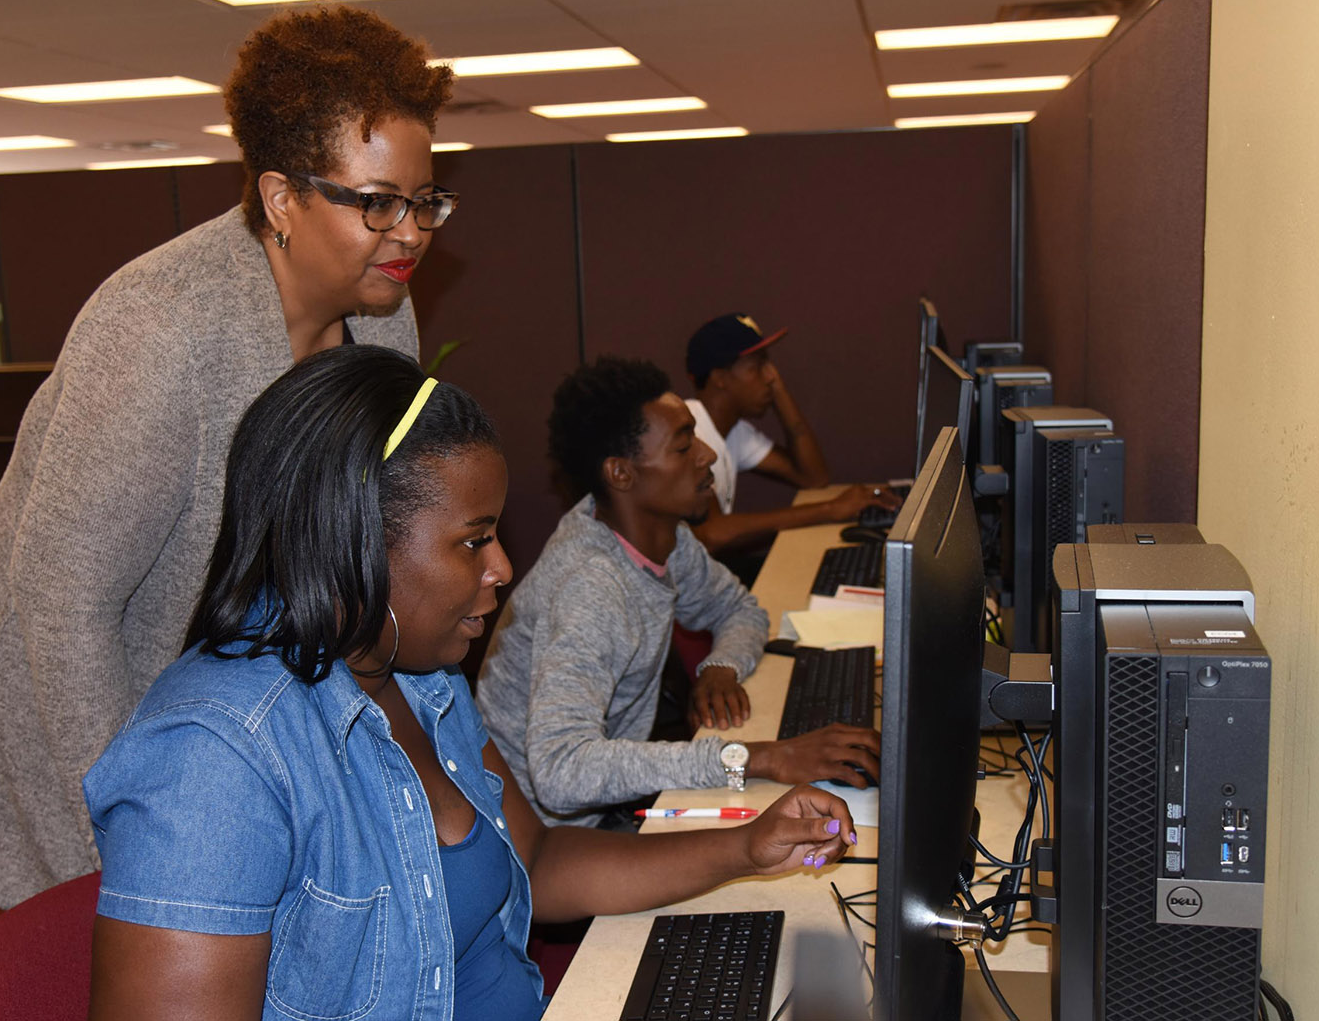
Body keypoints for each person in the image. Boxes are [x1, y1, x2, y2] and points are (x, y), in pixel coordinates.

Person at [83, 345, 858, 1021]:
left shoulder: (423, 679)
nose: (503, 568)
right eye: (474, 540)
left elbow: (542, 860)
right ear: (357, 539)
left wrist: (748, 845)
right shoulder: (213, 759)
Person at [0, 5, 459, 908]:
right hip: (52, 673)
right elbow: (61, 600)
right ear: (282, 197)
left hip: (193, 651)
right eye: (376, 203)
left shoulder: (384, 316)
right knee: (119, 932)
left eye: (424, 201)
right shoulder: (160, 324)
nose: (409, 232)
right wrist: (143, 814)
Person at [474, 357, 880, 828]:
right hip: (548, 839)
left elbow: (739, 608)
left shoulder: (662, 538)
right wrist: (755, 758)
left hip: (600, 808)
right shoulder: (591, 587)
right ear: (621, 474)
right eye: (684, 445)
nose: (707, 454)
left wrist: (721, 666)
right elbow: (562, 772)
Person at [684, 313, 900, 556]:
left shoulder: (734, 431)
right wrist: (830, 509)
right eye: (757, 367)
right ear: (721, 378)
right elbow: (712, 533)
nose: (770, 376)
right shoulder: (688, 433)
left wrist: (780, 391)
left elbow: (812, 477)